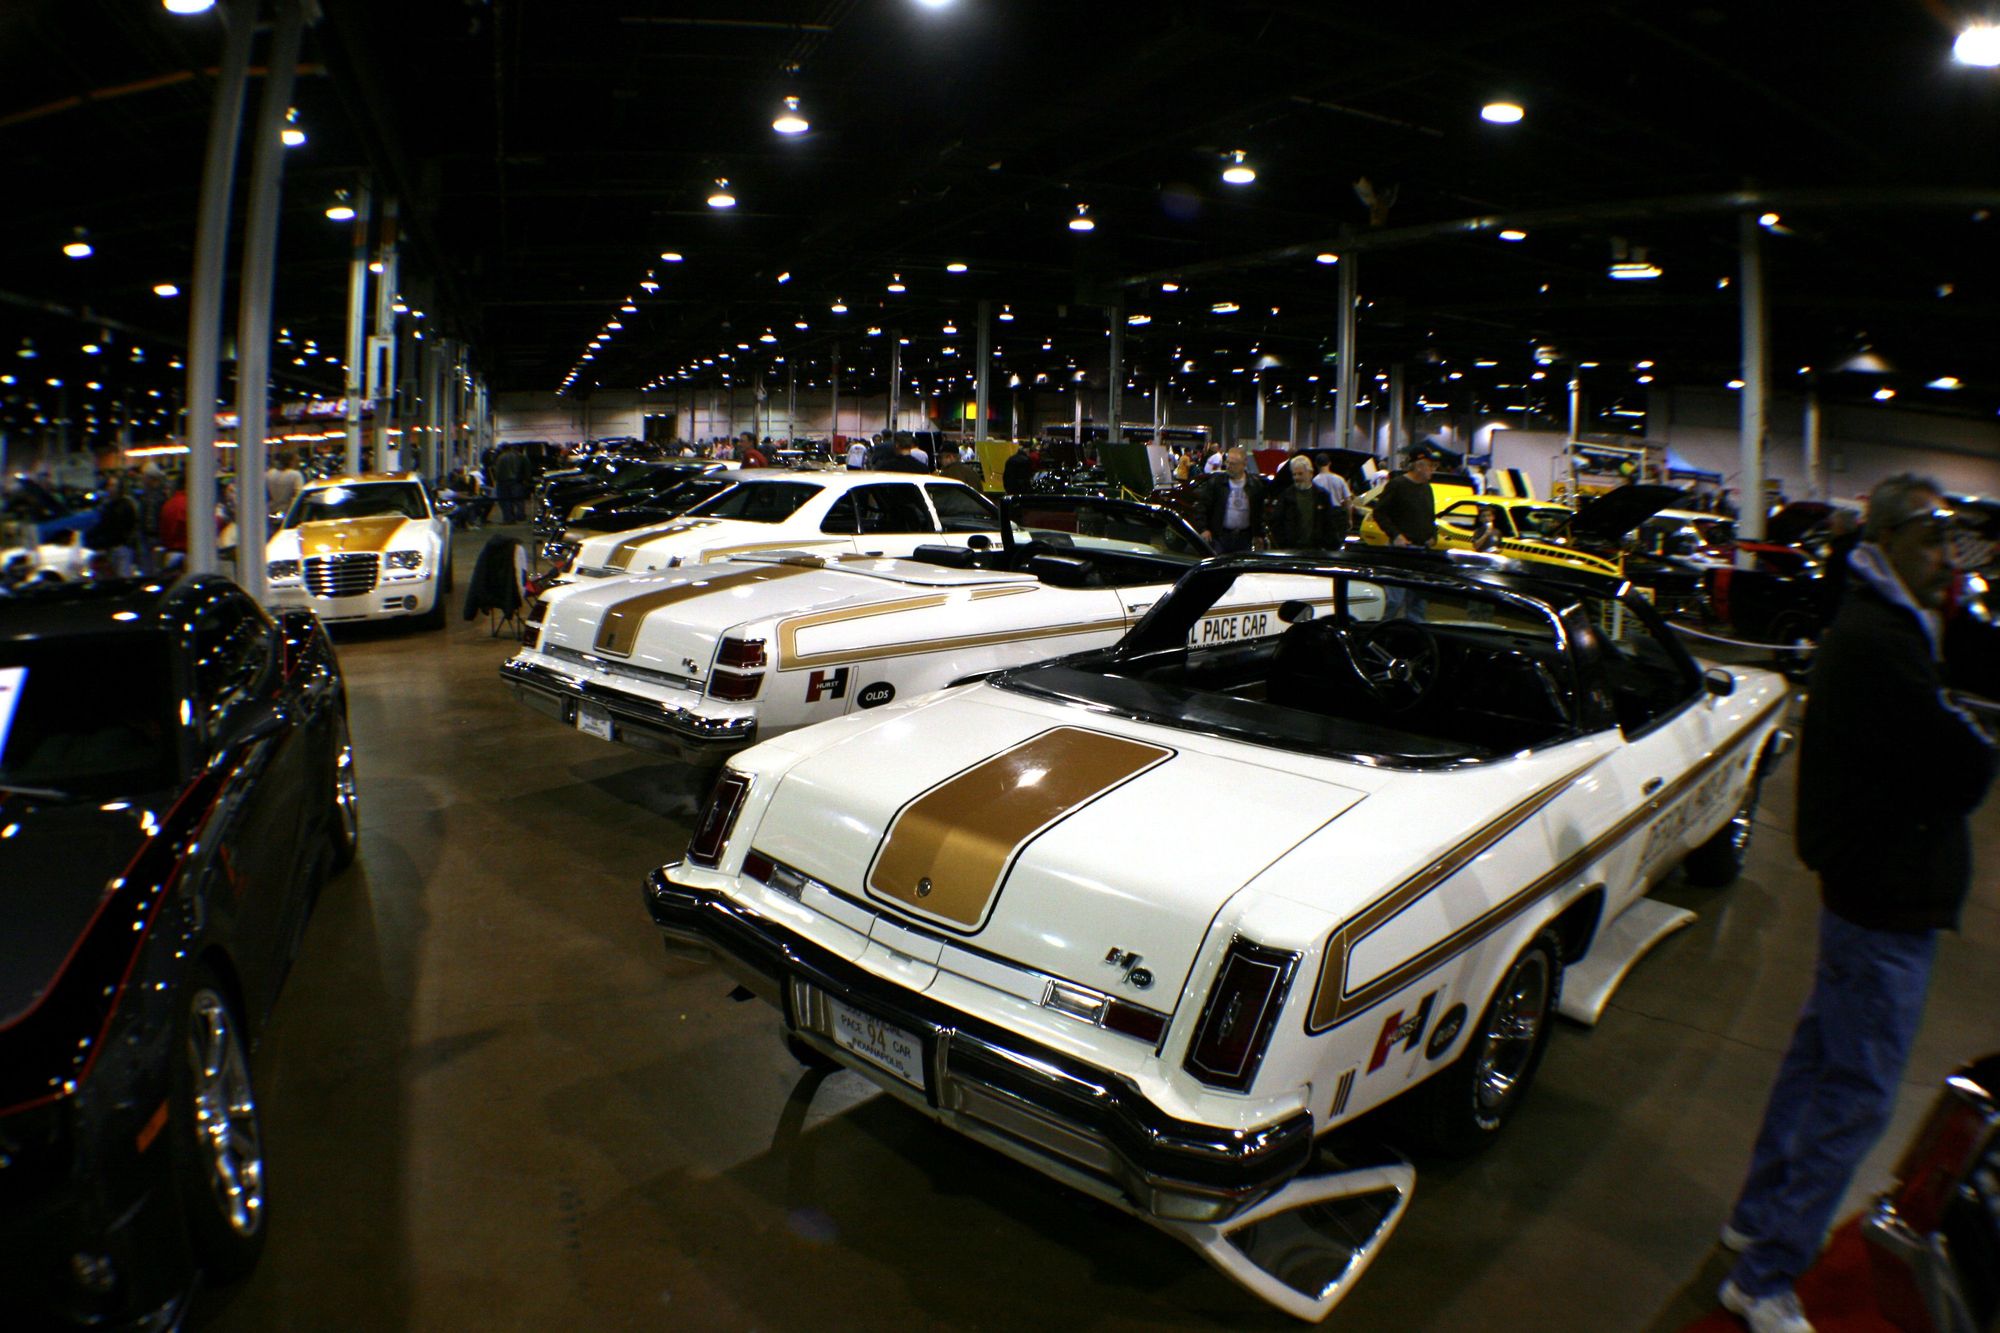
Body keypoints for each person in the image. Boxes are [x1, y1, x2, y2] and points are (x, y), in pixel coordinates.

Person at [1716, 474, 1994, 1333]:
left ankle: (1757, 1219)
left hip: (1866, 892)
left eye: (1950, 542)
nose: (1946, 558)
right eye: (1931, 539)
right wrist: (1971, 738)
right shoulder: (1884, 641)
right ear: (1888, 538)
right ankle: (1766, 1277)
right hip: (1885, 902)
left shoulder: (1882, 624)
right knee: (1859, 1094)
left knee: (1815, 1064)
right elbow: (1964, 768)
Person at [1266, 455, 1341, 550]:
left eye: (1300, 474)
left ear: (1310, 473)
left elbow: (1329, 523)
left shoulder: (1322, 495)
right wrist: (1283, 544)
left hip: (1316, 550)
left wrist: (1328, 545)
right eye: (1294, 474)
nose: (1296, 477)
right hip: (1291, 550)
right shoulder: (1286, 496)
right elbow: (1276, 522)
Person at [1199, 447, 1264, 553]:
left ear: (1244, 464)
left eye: (1233, 464)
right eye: (1227, 462)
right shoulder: (1216, 483)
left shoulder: (1255, 485)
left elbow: (1259, 512)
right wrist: (1203, 529)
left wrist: (1259, 534)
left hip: (1245, 538)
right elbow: (1202, 506)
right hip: (1220, 537)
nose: (1228, 466)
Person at [1373, 451, 1438, 548]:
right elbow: (1379, 513)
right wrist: (1396, 535)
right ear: (1418, 466)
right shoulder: (1397, 485)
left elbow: (1430, 517)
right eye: (1430, 466)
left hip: (1423, 547)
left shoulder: (1427, 488)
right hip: (1403, 548)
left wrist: (1433, 536)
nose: (1433, 470)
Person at [1313, 454, 1354, 545]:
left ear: (1316, 465)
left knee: (1325, 542)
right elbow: (1348, 501)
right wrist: (1349, 519)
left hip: (1323, 514)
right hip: (1338, 513)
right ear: (1329, 463)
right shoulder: (1339, 479)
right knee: (1339, 541)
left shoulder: (1315, 481)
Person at [492, 446, 528, 522]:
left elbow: (498, 471)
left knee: (504, 500)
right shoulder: (517, 456)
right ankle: (519, 516)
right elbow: (522, 468)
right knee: (517, 499)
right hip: (515, 480)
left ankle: (508, 518)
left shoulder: (501, 457)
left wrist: (496, 479)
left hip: (503, 481)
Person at [266, 450, 305, 517]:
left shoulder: (269, 474)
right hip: (288, 512)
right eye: (297, 461)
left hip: (271, 511)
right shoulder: (296, 475)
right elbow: (299, 495)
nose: (298, 464)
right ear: (291, 462)